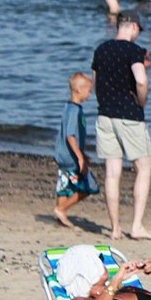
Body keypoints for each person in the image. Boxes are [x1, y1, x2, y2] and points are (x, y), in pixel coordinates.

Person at [92, 11, 151, 240]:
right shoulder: (134, 51)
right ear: (134, 27)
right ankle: (136, 226)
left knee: (112, 173)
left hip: (105, 114)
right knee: (144, 167)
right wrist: (142, 101)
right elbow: (140, 79)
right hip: (129, 115)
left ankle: (115, 228)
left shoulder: (101, 49)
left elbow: (96, 82)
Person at [54, 72, 100, 226]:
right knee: (88, 186)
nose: (90, 95)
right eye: (89, 91)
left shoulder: (68, 107)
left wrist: (83, 154)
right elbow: (70, 136)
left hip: (63, 155)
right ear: (79, 90)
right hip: (70, 157)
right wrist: (80, 157)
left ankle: (60, 214)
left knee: (64, 186)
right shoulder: (74, 111)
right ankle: (61, 209)